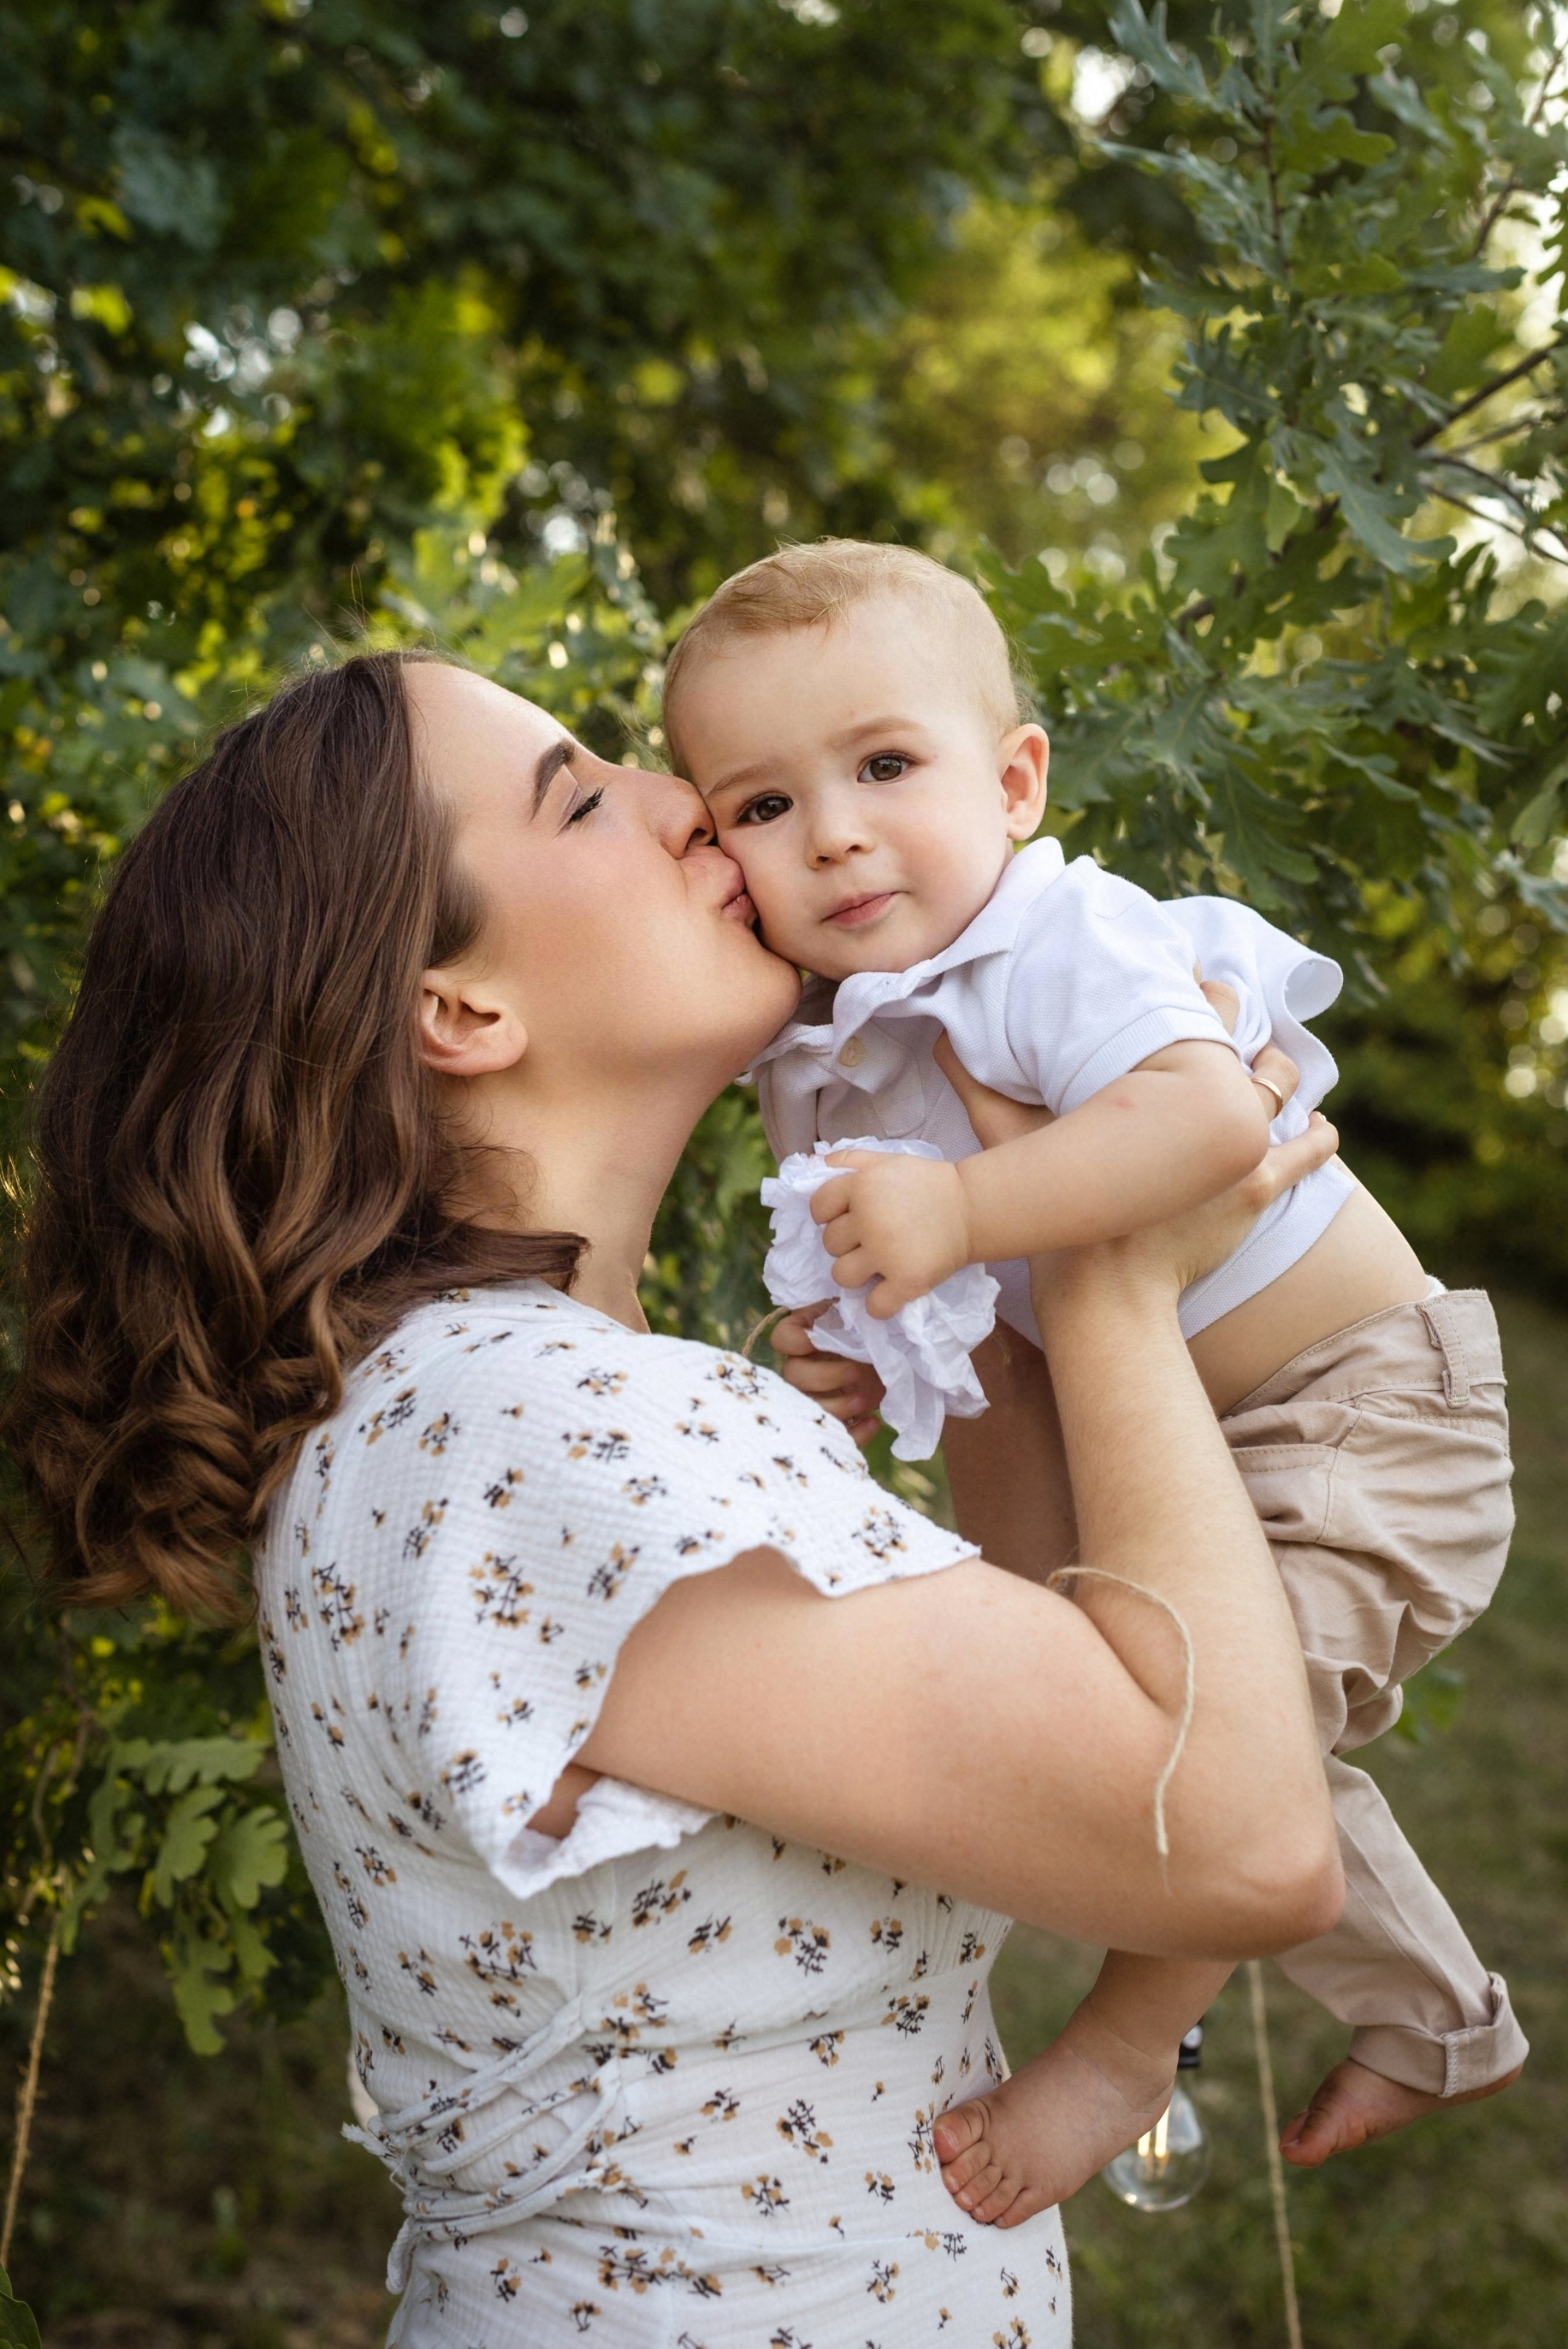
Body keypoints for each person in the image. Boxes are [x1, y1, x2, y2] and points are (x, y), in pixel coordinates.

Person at [6, 648, 1341, 2344]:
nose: (682, 803)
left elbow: (1077, 1741)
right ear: (461, 1009)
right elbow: (1233, 1836)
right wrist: (1115, 1286)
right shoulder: (543, 1433)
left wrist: (1012, 1232)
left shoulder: (494, 1403)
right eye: (579, 793)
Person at [663, 538, 1527, 2228]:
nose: (832, 830)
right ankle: (1435, 2018)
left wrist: (968, 1206)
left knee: (1211, 1732)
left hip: (1364, 1408)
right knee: (1205, 1728)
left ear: (1014, 778)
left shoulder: (1056, 939)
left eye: (886, 767)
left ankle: (1130, 2049)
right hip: (1187, 1436)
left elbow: (1209, 1123)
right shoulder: (823, 1057)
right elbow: (909, 1280)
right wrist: (845, 1342)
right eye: (762, 804)